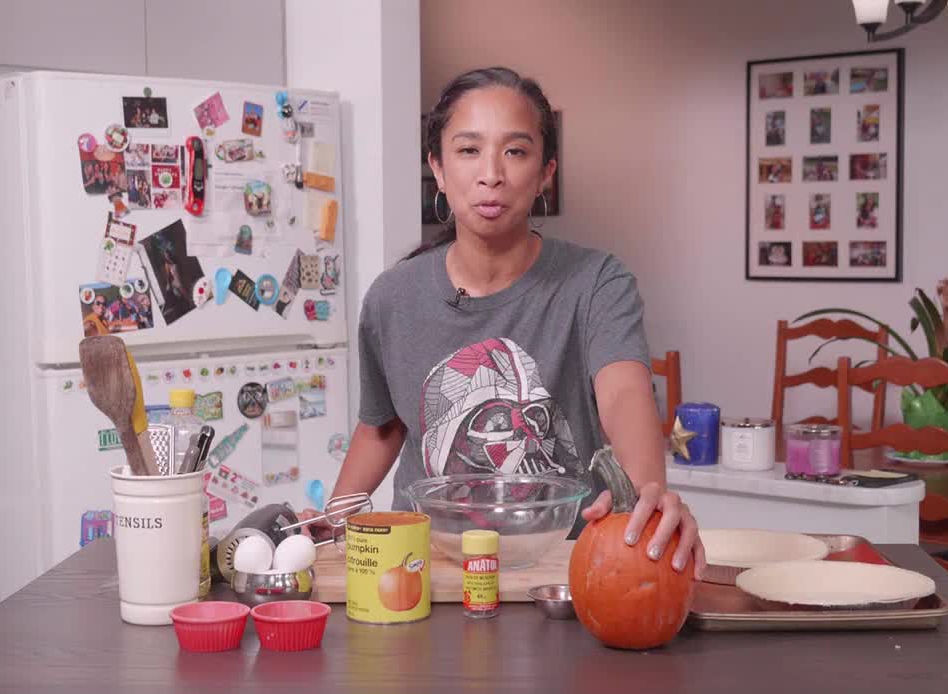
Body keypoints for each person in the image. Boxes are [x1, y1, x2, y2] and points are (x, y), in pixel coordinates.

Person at [298, 67, 704, 575]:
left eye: (515, 151)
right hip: (426, 569)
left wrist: (647, 497)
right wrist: (334, 522)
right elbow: (382, 427)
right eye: (469, 150)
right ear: (438, 169)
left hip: (562, 569)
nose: (492, 173)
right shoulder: (392, 297)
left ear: (546, 172)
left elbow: (623, 394)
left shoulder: (597, 282)